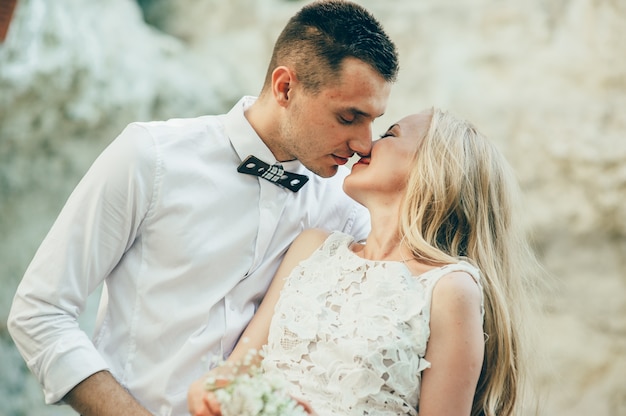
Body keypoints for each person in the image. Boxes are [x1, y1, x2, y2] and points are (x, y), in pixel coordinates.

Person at [7, 1, 399, 415]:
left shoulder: (347, 207)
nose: (363, 142)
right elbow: (40, 312)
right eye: (349, 116)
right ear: (285, 87)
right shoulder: (151, 157)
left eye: (373, 121)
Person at [188, 108, 541, 416]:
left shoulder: (450, 288)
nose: (366, 145)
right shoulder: (312, 248)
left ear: (435, 166)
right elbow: (234, 372)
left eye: (390, 134)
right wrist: (209, 391)